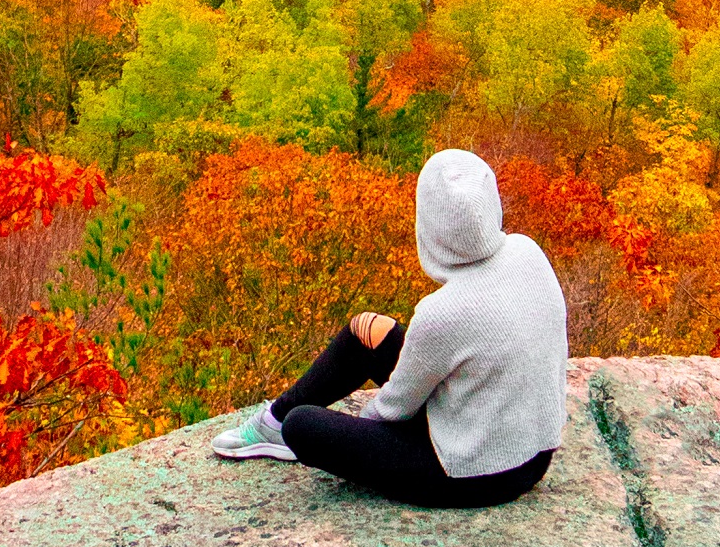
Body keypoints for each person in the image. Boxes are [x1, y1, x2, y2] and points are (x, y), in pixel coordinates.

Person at [211, 148, 569, 509]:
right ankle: (273, 419)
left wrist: (361, 439)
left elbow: (393, 411)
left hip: (475, 474)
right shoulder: (528, 252)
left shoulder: (442, 312)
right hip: (535, 451)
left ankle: (281, 424)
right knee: (367, 329)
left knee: (302, 426)